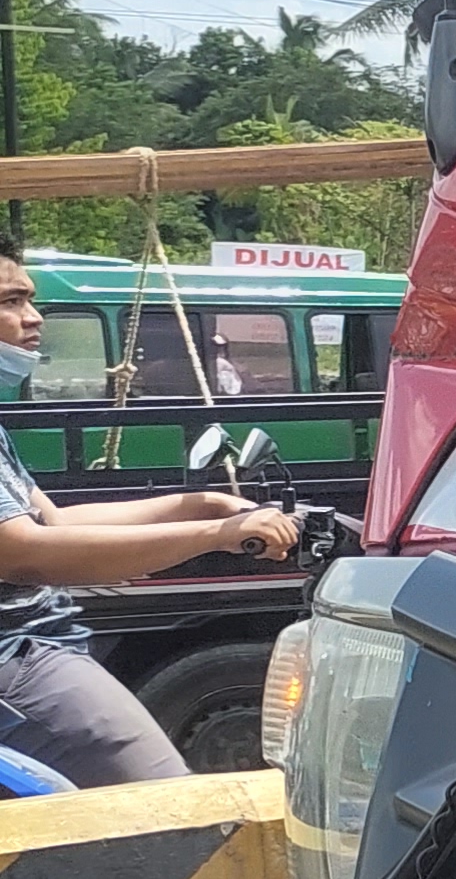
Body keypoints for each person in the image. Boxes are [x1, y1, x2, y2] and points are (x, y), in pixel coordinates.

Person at [0, 254, 299, 790]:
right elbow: (23, 553)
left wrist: (201, 505)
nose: (35, 316)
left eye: (30, 299)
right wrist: (214, 536)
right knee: (168, 813)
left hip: (34, 647)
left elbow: (55, 523)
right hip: (15, 661)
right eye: (11, 301)